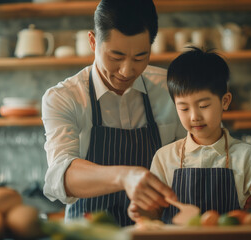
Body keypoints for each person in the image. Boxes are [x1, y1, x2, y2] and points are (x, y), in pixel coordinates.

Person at [41, 0, 186, 226]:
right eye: (116, 56)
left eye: (140, 57)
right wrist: (125, 177)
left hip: (155, 231)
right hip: (88, 232)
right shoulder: (64, 97)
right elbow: (61, 176)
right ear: (92, 41)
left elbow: (197, 154)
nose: (127, 71)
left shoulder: (171, 90)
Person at [128, 47, 251, 223]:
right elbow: (153, 212)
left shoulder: (249, 157)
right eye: (184, 108)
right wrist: (141, 212)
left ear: (225, 101)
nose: (194, 117)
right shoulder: (164, 158)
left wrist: (245, 222)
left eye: (203, 106)